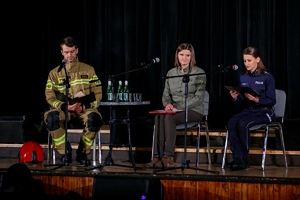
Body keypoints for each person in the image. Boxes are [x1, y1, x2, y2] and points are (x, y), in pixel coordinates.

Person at [44, 37, 103, 165]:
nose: (69, 55)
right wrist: (64, 106)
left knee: (94, 119)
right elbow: (50, 96)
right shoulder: (54, 73)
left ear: (77, 51)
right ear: (62, 53)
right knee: (51, 118)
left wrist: (85, 106)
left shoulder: (89, 70)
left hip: (84, 110)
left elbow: (98, 93)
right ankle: (65, 153)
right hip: (64, 110)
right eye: (66, 52)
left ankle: (83, 152)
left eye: (72, 51)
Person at [146, 43, 207, 168]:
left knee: (169, 118)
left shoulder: (199, 73)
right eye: (181, 55)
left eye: (187, 55)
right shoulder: (171, 72)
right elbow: (165, 95)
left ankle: (168, 157)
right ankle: (157, 157)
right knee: (159, 117)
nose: (184, 58)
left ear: (192, 57)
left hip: (193, 110)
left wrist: (180, 107)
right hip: (174, 109)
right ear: (177, 56)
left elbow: (198, 98)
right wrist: (167, 104)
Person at [225, 46, 276, 171]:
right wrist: (236, 97)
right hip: (249, 110)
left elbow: (272, 100)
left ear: (257, 59)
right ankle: (238, 158)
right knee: (232, 122)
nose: (246, 63)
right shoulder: (243, 76)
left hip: (265, 111)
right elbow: (244, 100)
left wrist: (257, 100)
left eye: (249, 60)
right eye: (244, 61)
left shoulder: (267, 77)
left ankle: (244, 159)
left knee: (243, 124)